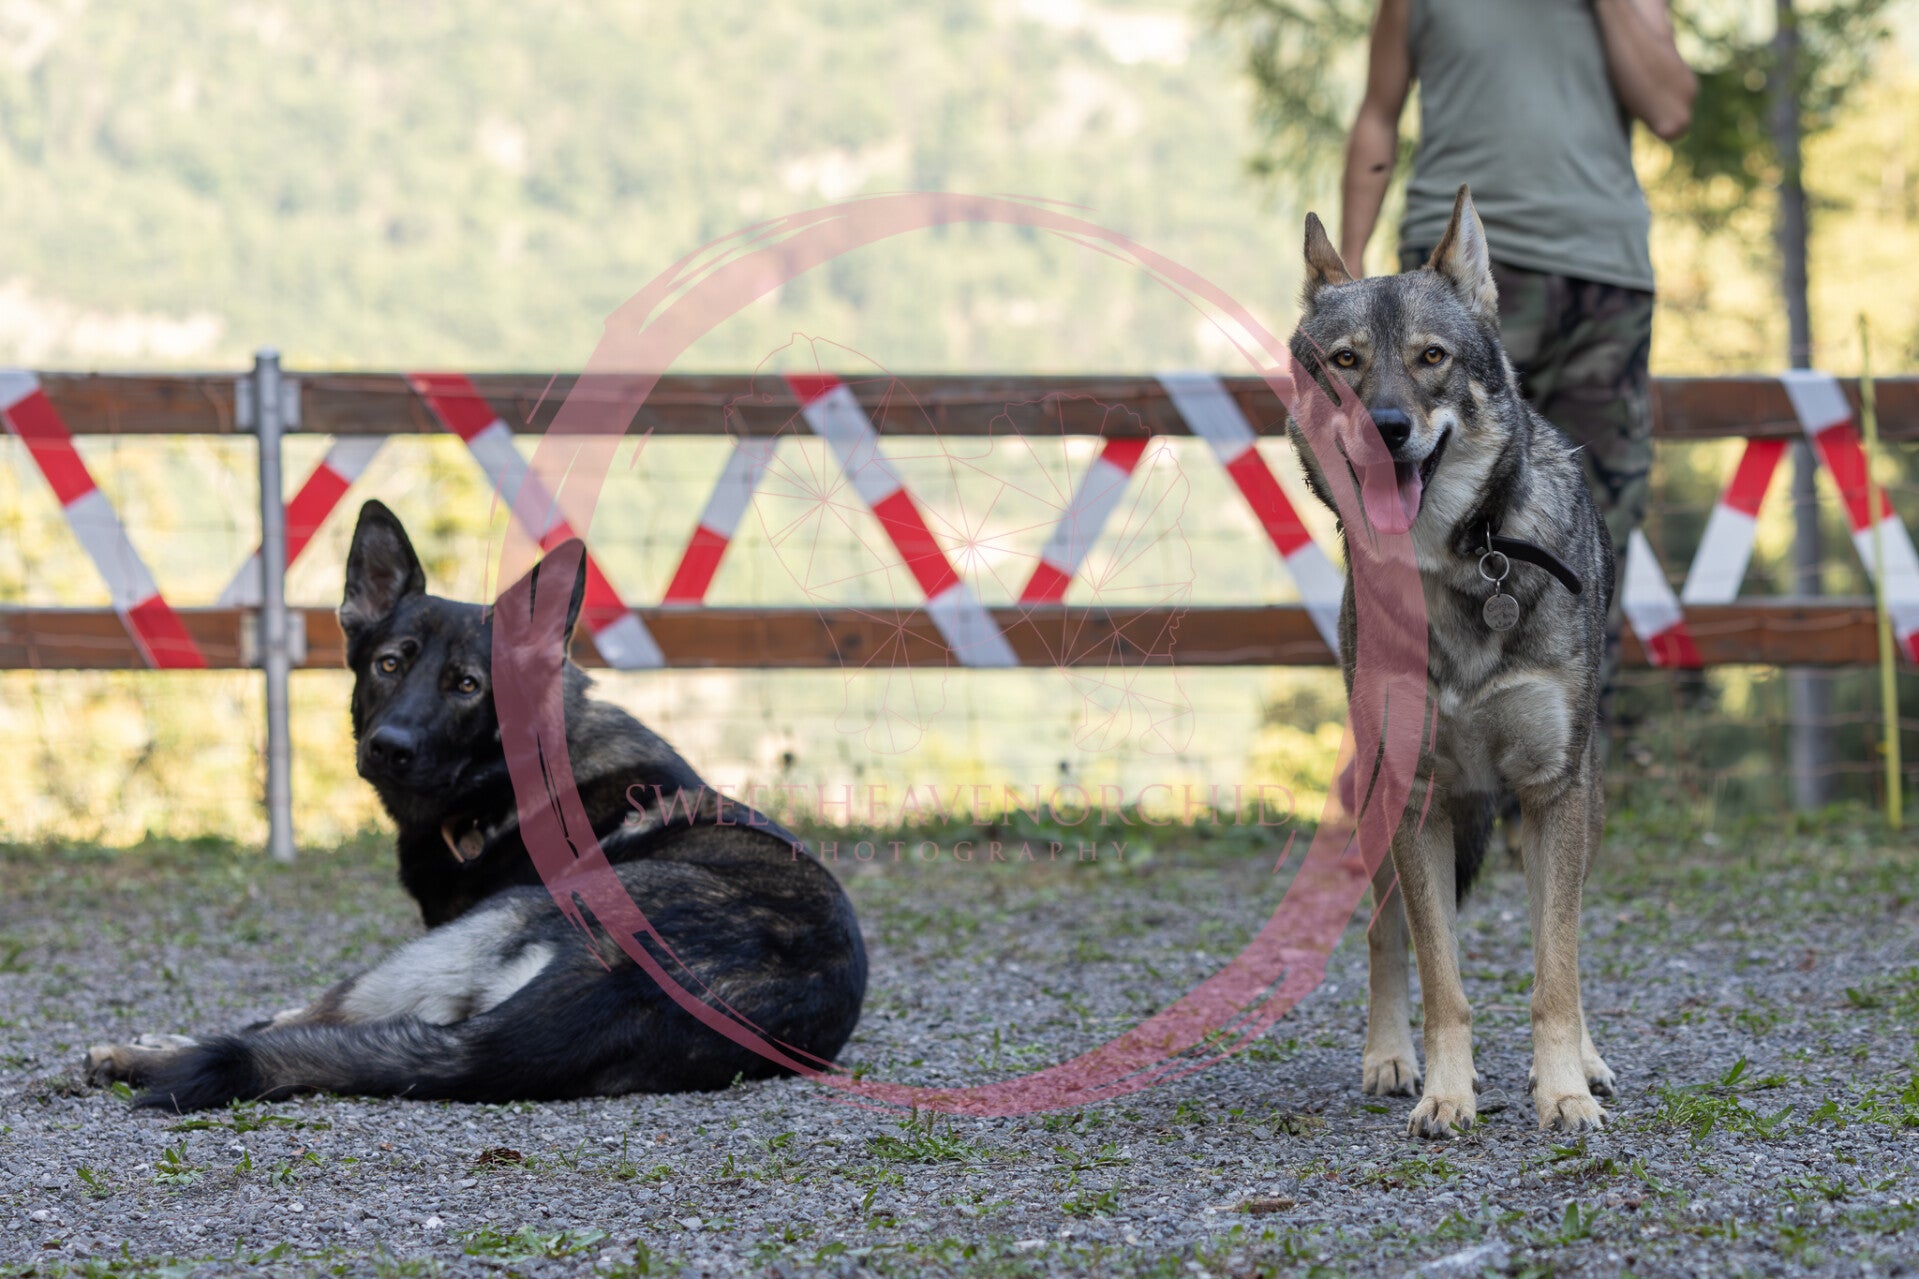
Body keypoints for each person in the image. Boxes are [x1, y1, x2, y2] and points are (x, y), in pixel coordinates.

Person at [1338, 0, 1696, 717]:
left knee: (1599, 524)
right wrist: (1345, 280)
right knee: (1425, 511)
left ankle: (1567, 757)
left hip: (1605, 278)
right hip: (1449, 280)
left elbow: (1669, 108)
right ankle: (1422, 751)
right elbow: (1378, 113)